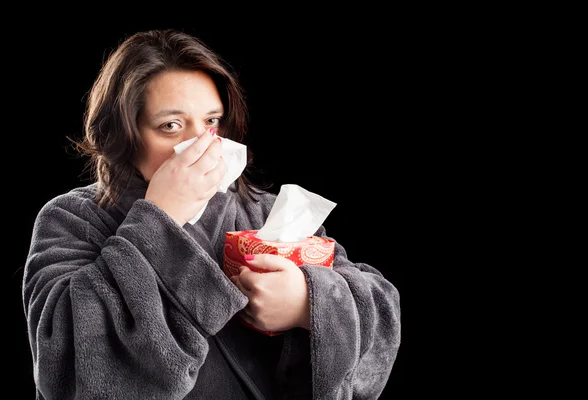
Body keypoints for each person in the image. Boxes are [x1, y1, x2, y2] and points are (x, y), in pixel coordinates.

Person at [21, 28, 401, 399]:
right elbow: (68, 370)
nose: (201, 142)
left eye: (211, 122)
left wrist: (309, 303)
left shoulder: (268, 213)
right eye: (170, 126)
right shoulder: (73, 220)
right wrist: (160, 218)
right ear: (125, 135)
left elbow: (381, 310)